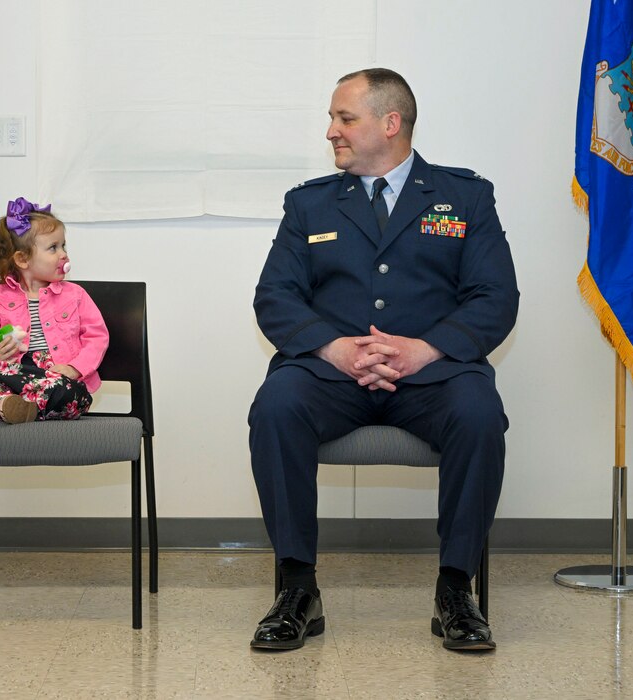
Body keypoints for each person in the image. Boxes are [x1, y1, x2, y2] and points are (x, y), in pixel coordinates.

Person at [248, 68, 518, 652]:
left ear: (390, 123)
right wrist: (334, 348)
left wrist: (425, 349)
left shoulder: (466, 196)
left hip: (433, 374)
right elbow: (275, 295)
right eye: (333, 119)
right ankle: (297, 589)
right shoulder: (309, 204)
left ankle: (455, 591)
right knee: (276, 406)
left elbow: (496, 297)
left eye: (345, 119)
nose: (331, 132)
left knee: (479, 414)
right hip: (332, 374)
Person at [0, 197, 108, 423]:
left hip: (56, 379)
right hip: (13, 379)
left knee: (68, 393)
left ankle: (4, 408)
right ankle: (7, 405)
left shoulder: (75, 295)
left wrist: (74, 369)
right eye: (53, 248)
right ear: (22, 259)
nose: (63, 254)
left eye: (63, 245)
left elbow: (97, 337)